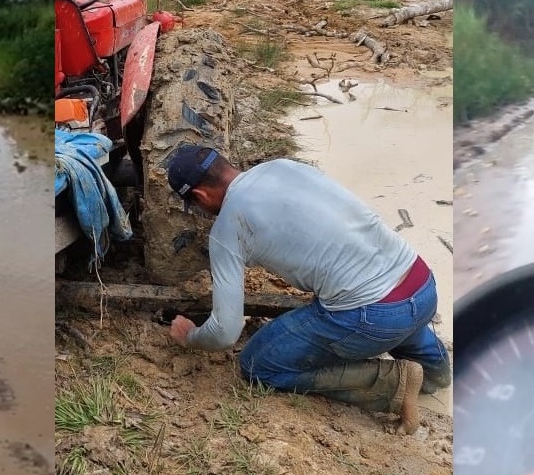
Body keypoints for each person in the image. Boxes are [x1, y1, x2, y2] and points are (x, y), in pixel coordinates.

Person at [164, 144, 451, 434]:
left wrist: (191, 336)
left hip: (373, 317)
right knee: (383, 297)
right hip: (421, 283)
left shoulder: (227, 228)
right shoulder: (283, 166)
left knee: (257, 364)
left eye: (197, 206)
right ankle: (437, 373)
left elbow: (225, 332)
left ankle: (394, 384)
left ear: (200, 195)